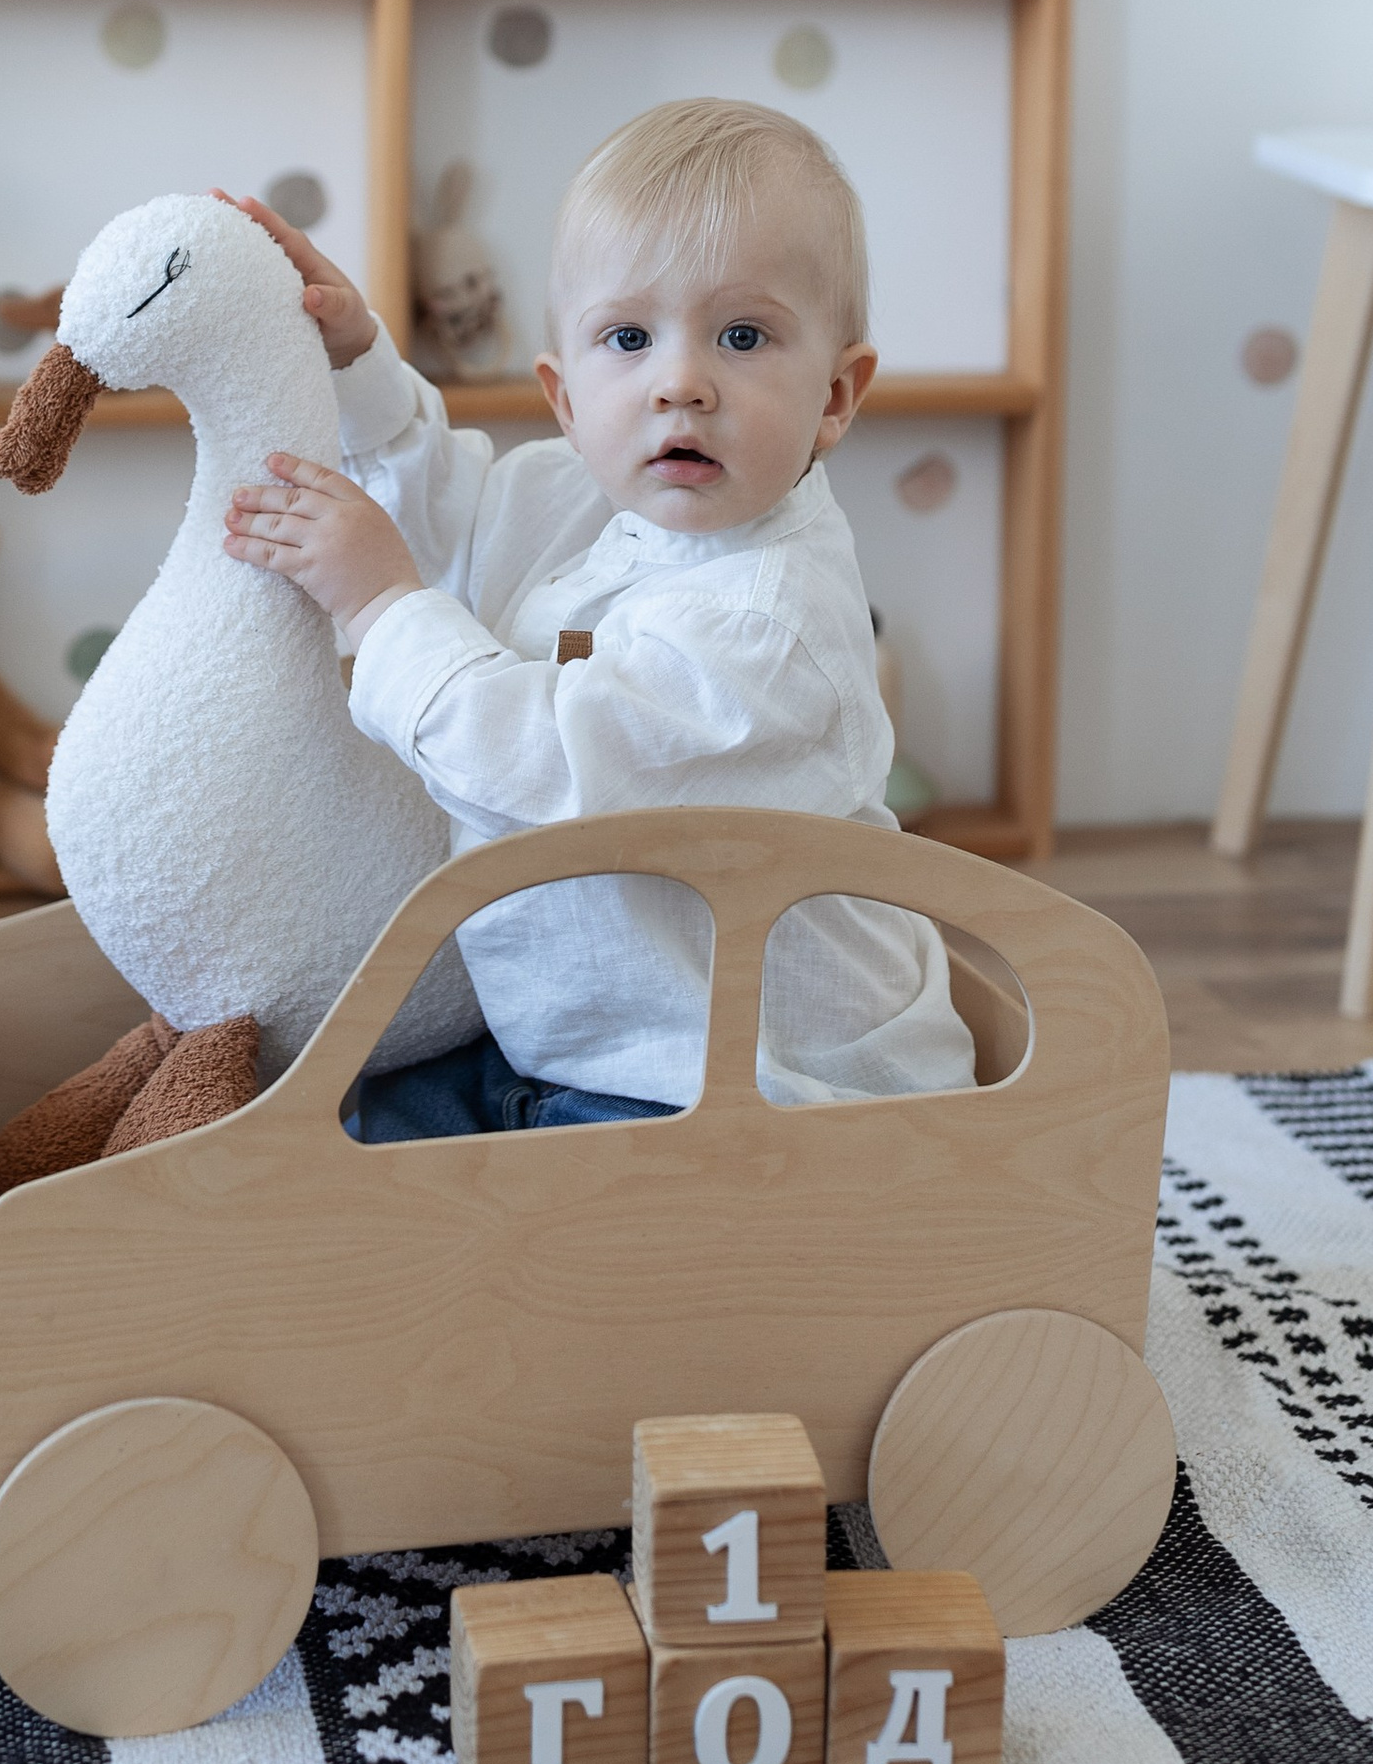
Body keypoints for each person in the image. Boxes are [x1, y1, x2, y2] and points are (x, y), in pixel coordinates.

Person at [219, 98, 976, 1133]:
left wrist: (380, 605)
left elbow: (552, 767)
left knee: (489, 1208)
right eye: (628, 337)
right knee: (347, 1125)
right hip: (570, 1041)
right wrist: (356, 364)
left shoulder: (768, 623)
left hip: (764, 1094)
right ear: (567, 399)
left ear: (836, 397)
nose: (681, 384)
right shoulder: (593, 496)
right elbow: (458, 513)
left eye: (743, 336)